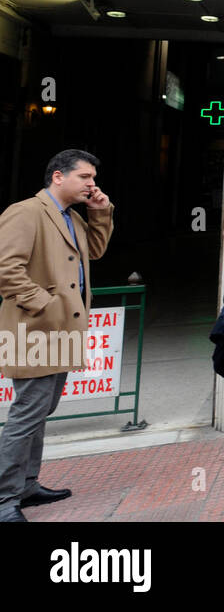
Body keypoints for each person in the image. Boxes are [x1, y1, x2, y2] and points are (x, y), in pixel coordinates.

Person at [0, 150, 113, 523]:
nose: (91, 183)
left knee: (40, 412)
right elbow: (6, 269)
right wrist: (45, 304)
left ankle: (27, 484)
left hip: (60, 331)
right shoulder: (26, 212)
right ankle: (4, 499)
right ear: (58, 177)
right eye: (84, 177)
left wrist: (99, 213)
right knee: (26, 414)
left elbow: (93, 252)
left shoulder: (73, 219)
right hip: (33, 330)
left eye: (93, 177)